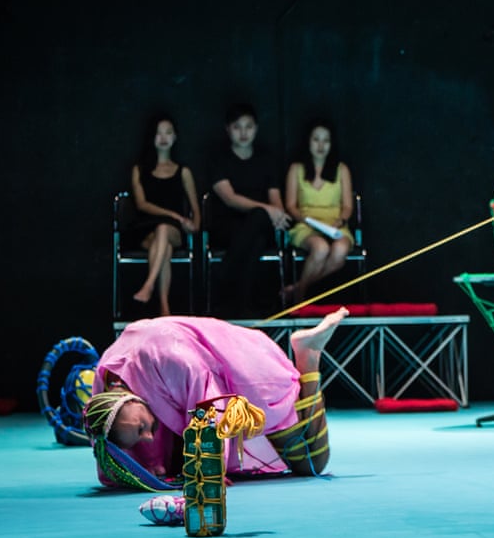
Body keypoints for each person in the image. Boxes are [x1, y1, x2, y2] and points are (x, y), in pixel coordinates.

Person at [82, 309, 347, 489]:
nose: (148, 438)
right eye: (139, 437)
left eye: (142, 429)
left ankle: (308, 356)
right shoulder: (105, 391)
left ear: (131, 399)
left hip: (242, 368)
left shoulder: (173, 361)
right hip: (191, 366)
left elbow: (212, 405)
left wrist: (211, 468)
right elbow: (111, 445)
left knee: (312, 462)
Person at [208, 103, 291, 316]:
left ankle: (232, 294)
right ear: (228, 129)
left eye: (248, 126)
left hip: (260, 227)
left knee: (259, 233)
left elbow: (276, 201)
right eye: (237, 127)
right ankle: (246, 305)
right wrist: (267, 211)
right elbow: (230, 199)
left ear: (256, 128)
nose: (244, 133)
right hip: (227, 225)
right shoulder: (219, 159)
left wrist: (277, 215)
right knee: (258, 231)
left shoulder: (266, 159)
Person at [127, 114, 201, 316]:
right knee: (164, 247)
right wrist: (173, 215)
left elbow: (196, 210)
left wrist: (193, 225)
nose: (163, 137)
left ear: (175, 136)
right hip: (146, 229)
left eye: (168, 132)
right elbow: (142, 204)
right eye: (159, 133)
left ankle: (149, 286)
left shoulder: (183, 171)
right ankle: (164, 306)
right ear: (151, 136)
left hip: (175, 231)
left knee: (165, 231)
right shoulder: (140, 169)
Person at [282, 120, 356, 304]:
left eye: (326, 140)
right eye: (316, 139)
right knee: (321, 248)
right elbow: (290, 206)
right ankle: (299, 299)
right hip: (305, 224)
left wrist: (339, 221)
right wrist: (306, 220)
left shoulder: (341, 170)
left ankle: (297, 289)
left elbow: (347, 206)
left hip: (334, 225)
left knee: (339, 251)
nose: (321, 145)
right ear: (308, 141)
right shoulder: (296, 169)